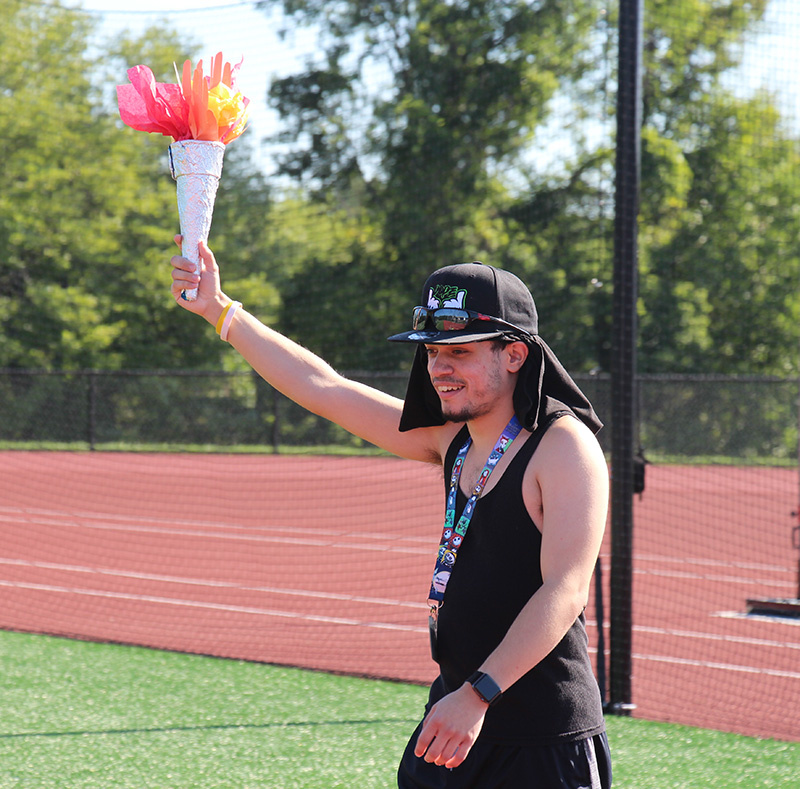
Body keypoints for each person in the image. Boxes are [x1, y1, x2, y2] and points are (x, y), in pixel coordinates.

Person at [169, 239, 612, 788]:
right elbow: (325, 389)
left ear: (514, 354)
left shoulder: (563, 446)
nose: (439, 369)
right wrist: (220, 311)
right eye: (431, 353)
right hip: (452, 720)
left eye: (460, 352)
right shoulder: (454, 439)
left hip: (539, 740)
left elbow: (565, 591)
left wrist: (478, 695)